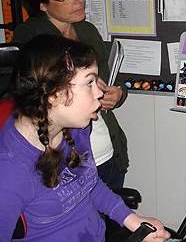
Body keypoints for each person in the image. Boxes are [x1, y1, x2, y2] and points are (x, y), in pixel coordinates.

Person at [0, 34, 170, 242]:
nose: (100, 92)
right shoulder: (11, 170)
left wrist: (132, 219)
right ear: (53, 92)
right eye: (90, 82)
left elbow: (88, 183)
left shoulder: (74, 128)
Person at [12, 0, 127, 188]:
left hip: (106, 152)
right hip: (67, 159)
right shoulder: (31, 39)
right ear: (42, 4)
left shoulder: (87, 31)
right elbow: (21, 100)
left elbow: (110, 78)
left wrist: (117, 93)